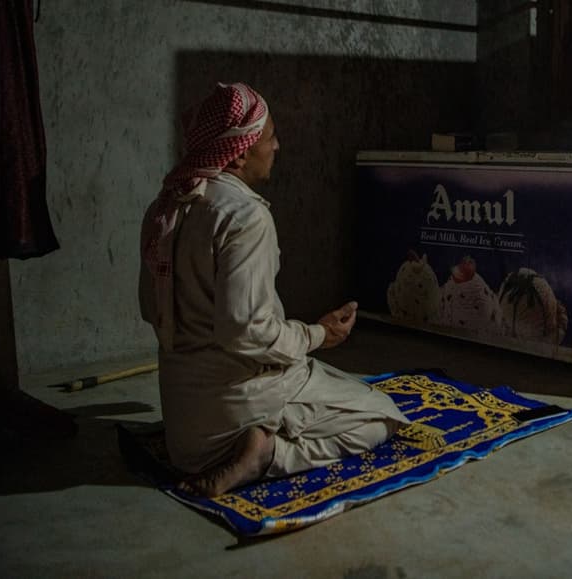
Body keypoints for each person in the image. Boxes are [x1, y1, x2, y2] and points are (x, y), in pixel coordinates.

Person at [139, 83, 408, 497]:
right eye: (270, 137)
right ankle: (264, 454)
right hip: (233, 419)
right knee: (381, 417)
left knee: (325, 381)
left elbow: (151, 307)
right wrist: (317, 335)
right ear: (241, 151)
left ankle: (263, 436)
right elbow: (245, 333)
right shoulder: (244, 217)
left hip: (186, 438)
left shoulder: (166, 206)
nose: (277, 147)